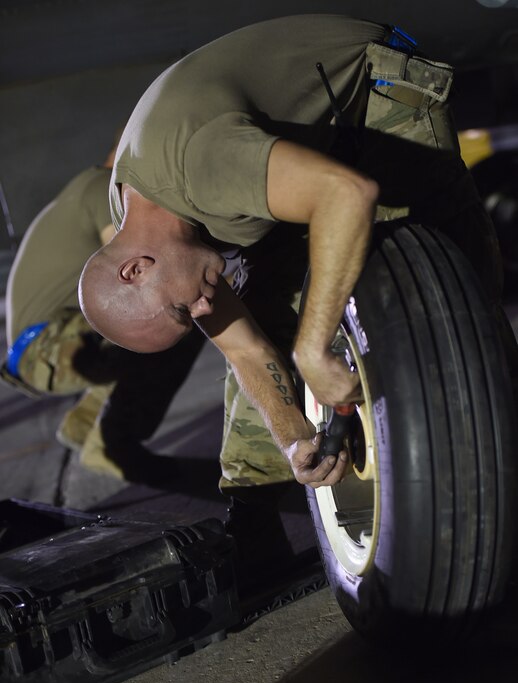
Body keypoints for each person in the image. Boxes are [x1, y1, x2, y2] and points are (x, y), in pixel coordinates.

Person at [78, 16, 518, 525]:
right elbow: (243, 347)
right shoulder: (150, 229)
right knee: (267, 310)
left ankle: (488, 444)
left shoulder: (199, 167)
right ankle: (263, 510)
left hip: (369, 97)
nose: (203, 309)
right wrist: (292, 439)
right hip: (294, 145)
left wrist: (313, 349)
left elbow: (345, 193)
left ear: (135, 270)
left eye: (183, 309)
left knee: (451, 285)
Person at [2, 141, 206, 484]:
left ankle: (86, 424)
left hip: (43, 349)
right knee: (171, 312)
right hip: (49, 349)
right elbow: (140, 272)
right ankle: (114, 442)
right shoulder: (104, 187)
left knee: (154, 309)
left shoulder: (85, 186)